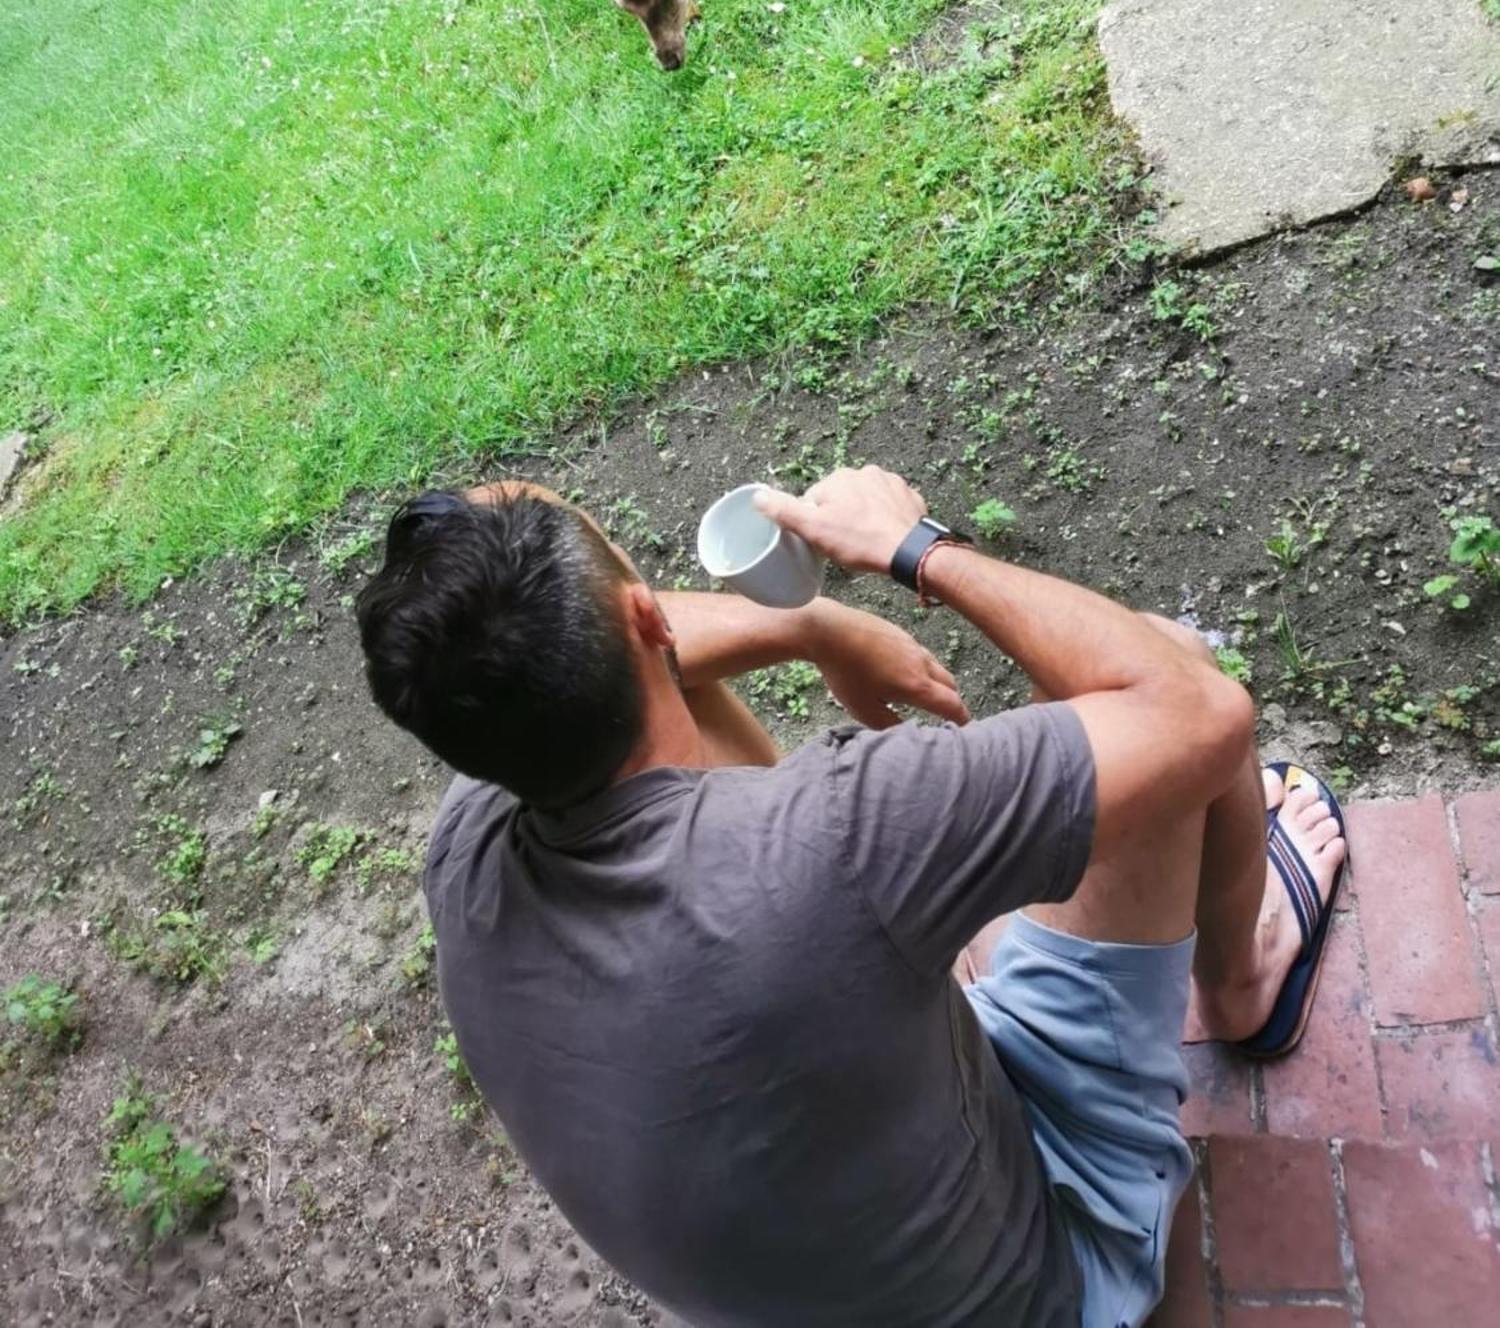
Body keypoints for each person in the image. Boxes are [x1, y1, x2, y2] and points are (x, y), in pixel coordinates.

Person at [355, 466, 1346, 1328]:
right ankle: (1245, 981)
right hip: (1055, 1276)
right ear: (646, 613)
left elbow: (626, 653)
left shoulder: (466, 840)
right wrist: (915, 548)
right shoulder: (843, 831)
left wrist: (814, 625)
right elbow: (1194, 714)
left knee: (809, 867)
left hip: (835, 1249)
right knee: (1172, 656)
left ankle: (918, 973)